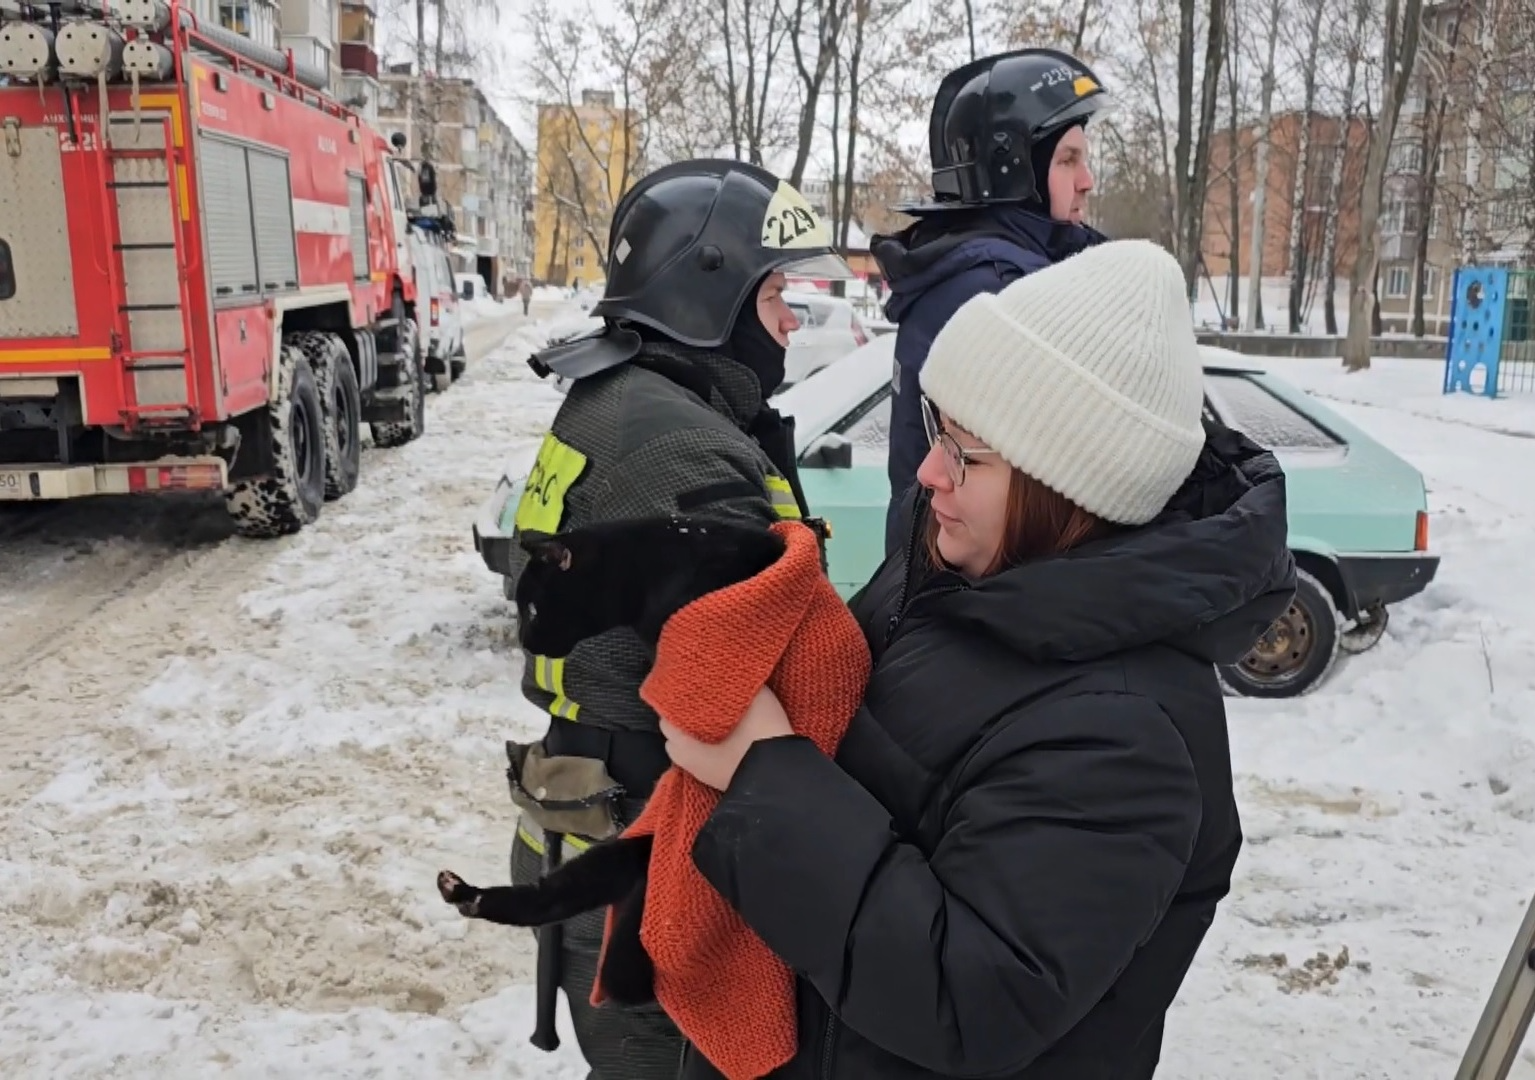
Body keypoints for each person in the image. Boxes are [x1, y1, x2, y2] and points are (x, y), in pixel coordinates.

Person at [660, 239, 1298, 1078]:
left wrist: (762, 776)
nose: (928, 472)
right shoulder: (960, 572)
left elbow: (973, 997)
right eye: (937, 430)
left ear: (1070, 489)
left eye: (968, 451)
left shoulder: (1126, 736)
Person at [505, 158, 854, 1080]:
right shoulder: (676, 443)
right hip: (651, 864)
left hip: (596, 821)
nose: (790, 319)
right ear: (713, 292)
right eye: (776, 293)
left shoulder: (622, 400)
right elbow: (751, 685)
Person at [871, 47, 1114, 555]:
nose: (1087, 180)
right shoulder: (998, 287)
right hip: (980, 586)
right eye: (1069, 160)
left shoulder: (970, 267)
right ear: (1014, 170)